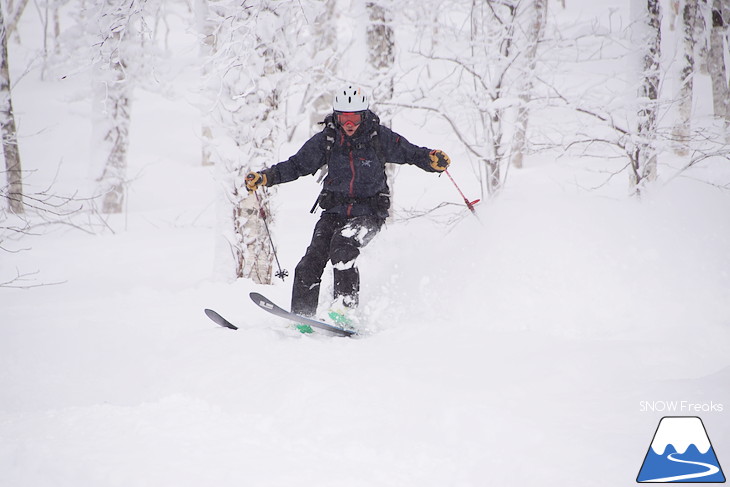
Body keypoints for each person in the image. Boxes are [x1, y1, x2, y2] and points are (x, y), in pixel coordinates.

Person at [245, 85, 450, 324]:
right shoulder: (328, 140)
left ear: (363, 116)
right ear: (336, 115)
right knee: (309, 263)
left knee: (342, 249)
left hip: (369, 213)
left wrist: (430, 160)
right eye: (344, 117)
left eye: (354, 117)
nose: (349, 123)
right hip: (334, 211)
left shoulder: (378, 137)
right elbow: (296, 165)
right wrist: (266, 177)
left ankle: (344, 312)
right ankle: (302, 318)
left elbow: (411, 153)